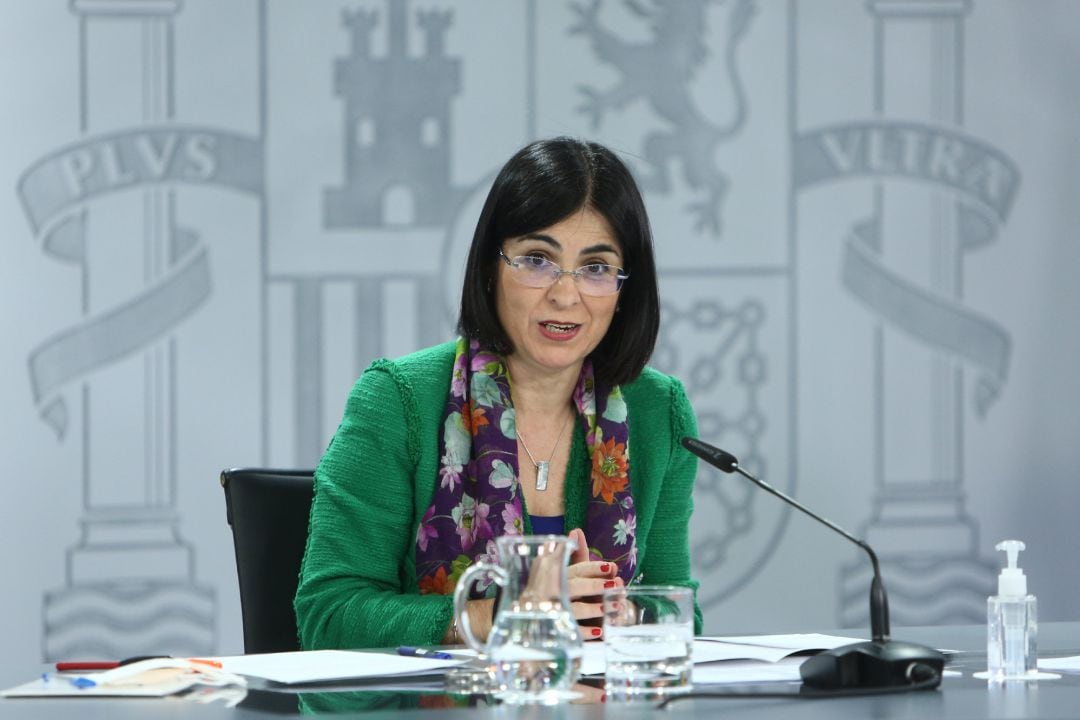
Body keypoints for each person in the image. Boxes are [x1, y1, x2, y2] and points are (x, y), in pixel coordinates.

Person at [294, 137, 701, 650]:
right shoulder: (397, 399)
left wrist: (622, 612)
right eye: (537, 259)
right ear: (491, 268)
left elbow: (678, 609)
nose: (565, 293)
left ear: (625, 290)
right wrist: (514, 612)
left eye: (596, 268)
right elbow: (329, 616)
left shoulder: (657, 411)